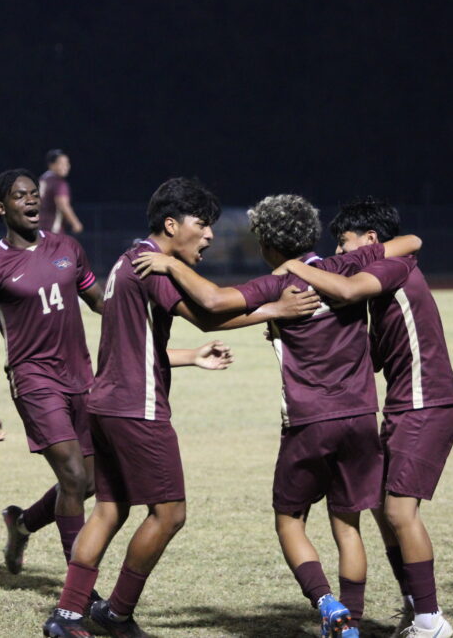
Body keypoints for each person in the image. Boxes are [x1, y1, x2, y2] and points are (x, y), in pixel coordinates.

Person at [132, 194, 424, 638]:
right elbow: (408, 242)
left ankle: (327, 603)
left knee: (289, 518)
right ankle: (353, 623)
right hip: (362, 416)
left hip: (309, 420)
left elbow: (213, 302)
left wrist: (172, 266)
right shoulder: (345, 266)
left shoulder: (277, 284)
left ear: (267, 246)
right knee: (348, 523)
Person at [42, 179, 320, 638]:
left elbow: (134, 346)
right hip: (138, 408)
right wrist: (276, 309)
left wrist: (191, 357)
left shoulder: (127, 261)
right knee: (169, 513)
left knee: (109, 510)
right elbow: (209, 311)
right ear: (171, 225)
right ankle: (116, 612)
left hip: (106, 403)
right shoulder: (155, 267)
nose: (209, 235)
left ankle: (67, 616)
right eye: (202, 225)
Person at [274, 197, 453, 638]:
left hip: (424, 399)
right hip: (404, 401)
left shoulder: (391, 268)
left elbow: (346, 290)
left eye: (344, 242)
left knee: (398, 510)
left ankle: (431, 621)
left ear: (372, 241)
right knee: (382, 507)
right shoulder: (383, 272)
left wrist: (294, 266)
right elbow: (369, 352)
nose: (340, 252)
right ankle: (416, 605)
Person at [0, 168, 105, 576]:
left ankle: (22, 523)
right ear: (0, 207)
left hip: (81, 376)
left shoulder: (67, 247)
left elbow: (99, 302)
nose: (31, 201)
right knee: (73, 474)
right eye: (19, 196)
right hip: (33, 381)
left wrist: (148, 313)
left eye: (33, 194)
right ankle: (80, 589)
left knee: (89, 483)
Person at [39, 149, 83, 234]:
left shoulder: (42, 179)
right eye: (61, 163)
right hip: (52, 229)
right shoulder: (59, 183)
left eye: (67, 163)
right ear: (51, 165)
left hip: (36, 230)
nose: (65, 167)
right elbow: (62, 205)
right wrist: (75, 223)